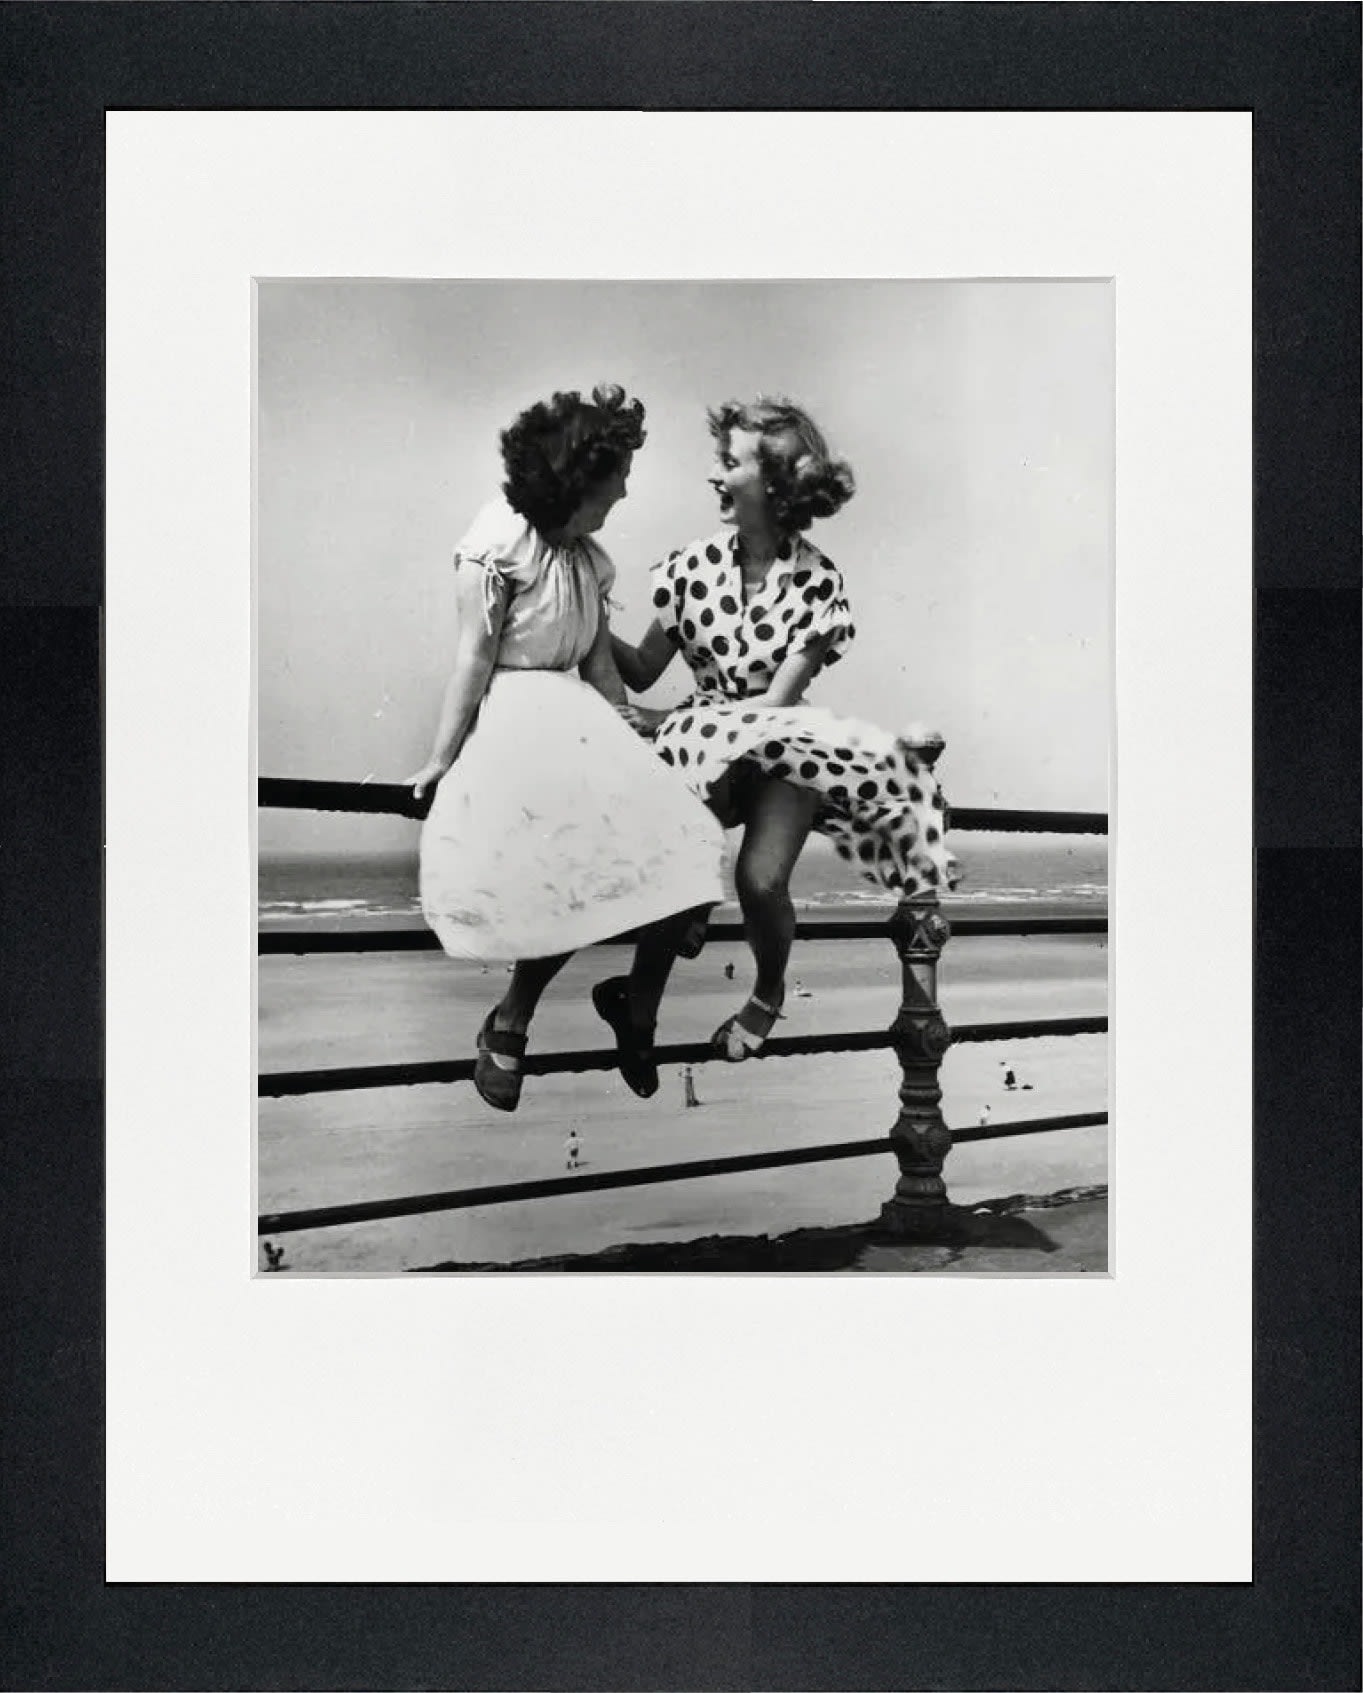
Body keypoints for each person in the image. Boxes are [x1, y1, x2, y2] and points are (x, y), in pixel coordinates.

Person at [610, 396, 959, 1067]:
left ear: (772, 485)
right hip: (702, 749)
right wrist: (589, 615)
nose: (713, 473)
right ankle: (639, 1011)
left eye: (727, 461)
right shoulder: (688, 568)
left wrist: (665, 722)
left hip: (778, 749)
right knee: (678, 860)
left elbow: (774, 703)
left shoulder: (817, 582)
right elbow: (646, 667)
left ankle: (765, 994)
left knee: (761, 882)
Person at [408, 384, 724, 1112]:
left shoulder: (587, 560)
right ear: (578, 480)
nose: (624, 491)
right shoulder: (496, 545)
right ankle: (512, 1018)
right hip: (519, 721)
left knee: (688, 831)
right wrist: (439, 758)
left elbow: (602, 667)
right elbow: (472, 658)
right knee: (573, 861)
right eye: (615, 477)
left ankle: (639, 976)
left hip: (578, 719)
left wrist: (635, 737)